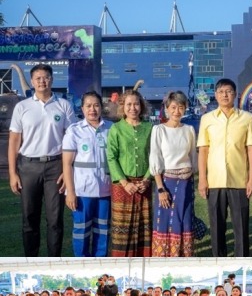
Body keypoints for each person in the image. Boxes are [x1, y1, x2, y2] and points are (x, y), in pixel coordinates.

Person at [8, 64, 76, 257]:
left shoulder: (64, 106)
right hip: (28, 167)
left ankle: (54, 259)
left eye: (45, 77)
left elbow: (71, 139)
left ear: (52, 80)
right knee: (29, 219)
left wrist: (66, 169)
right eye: (38, 78)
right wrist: (13, 174)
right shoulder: (22, 107)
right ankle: (31, 258)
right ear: (32, 81)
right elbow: (14, 141)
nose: (42, 81)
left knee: (55, 220)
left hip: (56, 167)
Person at [197, 79, 252, 257]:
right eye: (221, 91)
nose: (225, 95)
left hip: (239, 180)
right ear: (215, 95)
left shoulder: (247, 118)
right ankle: (219, 259)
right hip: (214, 181)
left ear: (235, 94)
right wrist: (202, 179)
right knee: (217, 226)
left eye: (229, 91)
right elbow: (203, 150)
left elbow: (251, 149)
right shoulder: (207, 119)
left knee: (241, 226)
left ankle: (242, 258)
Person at [62, 90, 112, 257]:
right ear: (82, 109)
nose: (92, 109)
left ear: (101, 107)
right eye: (88, 106)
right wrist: (70, 192)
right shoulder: (75, 130)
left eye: (96, 105)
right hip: (82, 191)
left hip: (106, 190)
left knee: (103, 230)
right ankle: (81, 259)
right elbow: (67, 163)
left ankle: (100, 260)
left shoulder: (111, 129)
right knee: (81, 230)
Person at [149, 90, 197, 257]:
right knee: (166, 221)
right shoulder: (159, 129)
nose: (177, 111)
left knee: (185, 220)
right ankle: (165, 255)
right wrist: (161, 189)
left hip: (186, 182)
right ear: (167, 109)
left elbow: (193, 157)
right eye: (174, 107)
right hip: (167, 183)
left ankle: (184, 255)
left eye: (181, 107)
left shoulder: (189, 129)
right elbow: (155, 158)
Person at [107, 89, 153, 256]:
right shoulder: (116, 129)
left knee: (143, 227)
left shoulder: (150, 128)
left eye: (136, 104)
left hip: (143, 184)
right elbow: (111, 157)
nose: (132, 108)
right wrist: (125, 182)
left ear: (141, 106)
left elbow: (155, 156)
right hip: (122, 185)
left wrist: (147, 179)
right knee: (122, 228)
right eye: (129, 104)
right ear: (122, 107)